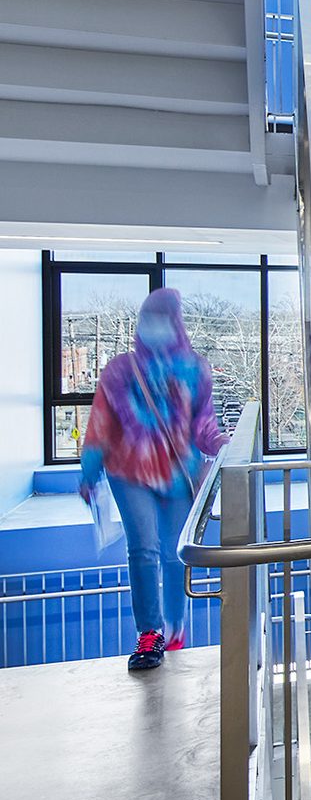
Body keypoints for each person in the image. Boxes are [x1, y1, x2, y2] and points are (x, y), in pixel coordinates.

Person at [78, 287, 228, 674]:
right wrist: (88, 472)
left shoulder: (195, 369)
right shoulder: (119, 370)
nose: (155, 326)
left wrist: (228, 445)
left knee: (175, 553)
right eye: (149, 318)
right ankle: (150, 633)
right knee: (143, 549)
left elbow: (203, 426)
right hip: (127, 472)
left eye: (163, 317)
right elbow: (100, 426)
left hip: (177, 473)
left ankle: (175, 627)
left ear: (176, 323)